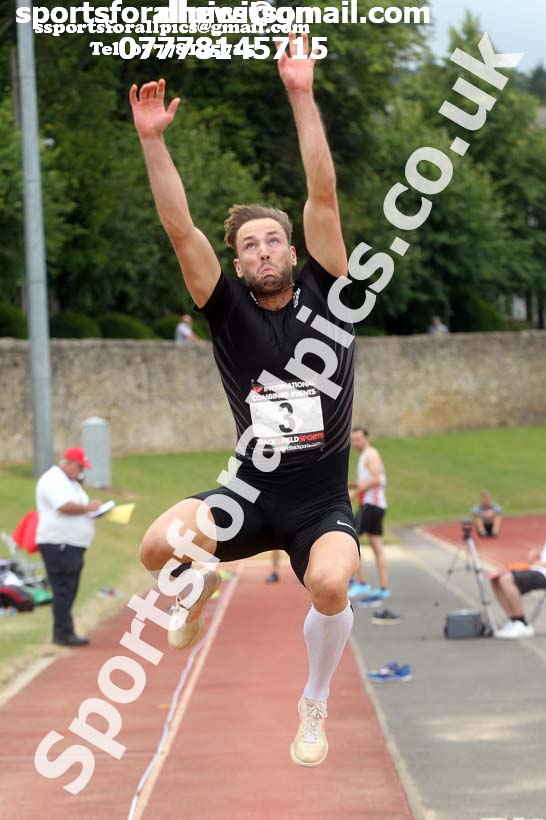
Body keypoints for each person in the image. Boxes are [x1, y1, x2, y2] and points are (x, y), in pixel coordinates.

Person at [130, 33, 359, 768]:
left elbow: (320, 191)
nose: (263, 251)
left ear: (294, 251)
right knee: (155, 547)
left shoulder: (331, 295)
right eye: (250, 246)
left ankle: (314, 699)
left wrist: (301, 93)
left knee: (328, 584)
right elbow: (177, 227)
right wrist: (152, 142)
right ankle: (193, 590)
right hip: (247, 494)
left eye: (273, 241)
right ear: (237, 262)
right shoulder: (226, 309)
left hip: (318, 502)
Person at [35, 447, 101, 646]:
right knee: (63, 588)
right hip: (59, 543)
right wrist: (88, 508)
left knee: (69, 588)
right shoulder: (53, 480)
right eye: (80, 467)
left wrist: (93, 511)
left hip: (71, 543)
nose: (81, 472)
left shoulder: (70, 482)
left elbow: (77, 506)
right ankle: (63, 633)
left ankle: (64, 630)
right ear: (70, 463)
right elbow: (64, 506)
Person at [347, 427, 390, 601]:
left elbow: (376, 479)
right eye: (353, 439)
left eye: (358, 439)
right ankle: (384, 587)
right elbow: (363, 481)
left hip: (371, 505)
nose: (355, 442)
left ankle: (361, 582)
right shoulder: (365, 456)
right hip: (376, 505)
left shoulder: (371, 454)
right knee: (376, 545)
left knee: (351, 539)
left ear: (366, 438)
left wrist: (354, 494)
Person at [491, 537, 546, 639]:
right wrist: (538, 557)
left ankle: (521, 622)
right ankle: (513, 620)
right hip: (537, 569)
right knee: (496, 578)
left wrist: (543, 564)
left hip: (544, 573)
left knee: (506, 579)